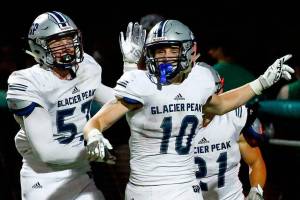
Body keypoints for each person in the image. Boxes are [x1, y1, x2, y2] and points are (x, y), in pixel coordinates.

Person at [83, 19, 293, 200]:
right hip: (147, 188)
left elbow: (220, 105)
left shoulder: (200, 80)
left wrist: (261, 83)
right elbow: (98, 121)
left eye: (173, 50)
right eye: (159, 50)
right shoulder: (140, 82)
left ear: (188, 51)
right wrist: (93, 135)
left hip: (186, 186)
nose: (166, 57)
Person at [5, 11, 144, 200]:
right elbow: (48, 152)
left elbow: (121, 101)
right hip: (43, 179)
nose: (66, 46)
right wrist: (93, 151)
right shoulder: (27, 82)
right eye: (56, 42)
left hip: (80, 173)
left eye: (69, 38)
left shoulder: (86, 66)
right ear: (38, 47)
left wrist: (131, 67)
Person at [193, 68, 266, 200]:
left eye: (211, 95)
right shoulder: (175, 123)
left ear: (220, 90)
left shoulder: (234, 117)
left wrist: (257, 189)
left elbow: (255, 162)